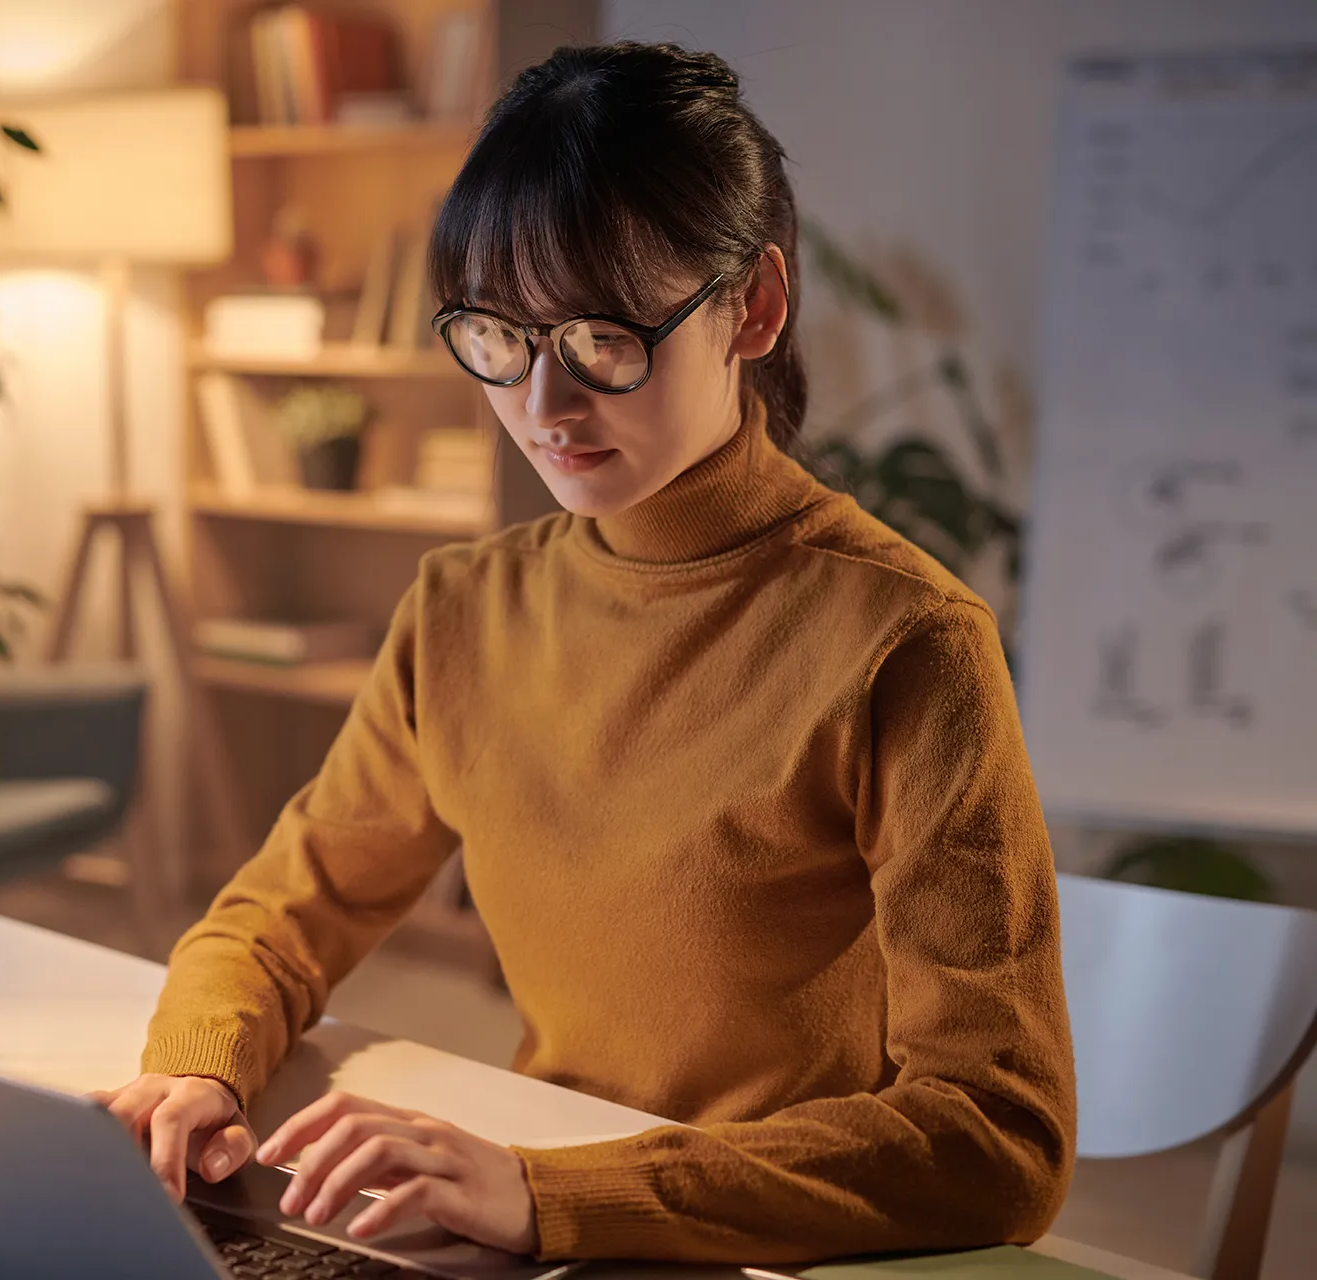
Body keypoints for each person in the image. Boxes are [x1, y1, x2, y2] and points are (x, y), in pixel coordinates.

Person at [93, 41, 1076, 1265]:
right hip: (534, 1210)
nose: (544, 406)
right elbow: (284, 912)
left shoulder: (906, 642)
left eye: (604, 340)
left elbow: (997, 1135)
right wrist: (199, 1067)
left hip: (757, 1242)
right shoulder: (463, 612)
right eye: (497, 337)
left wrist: (556, 1193)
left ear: (753, 307)